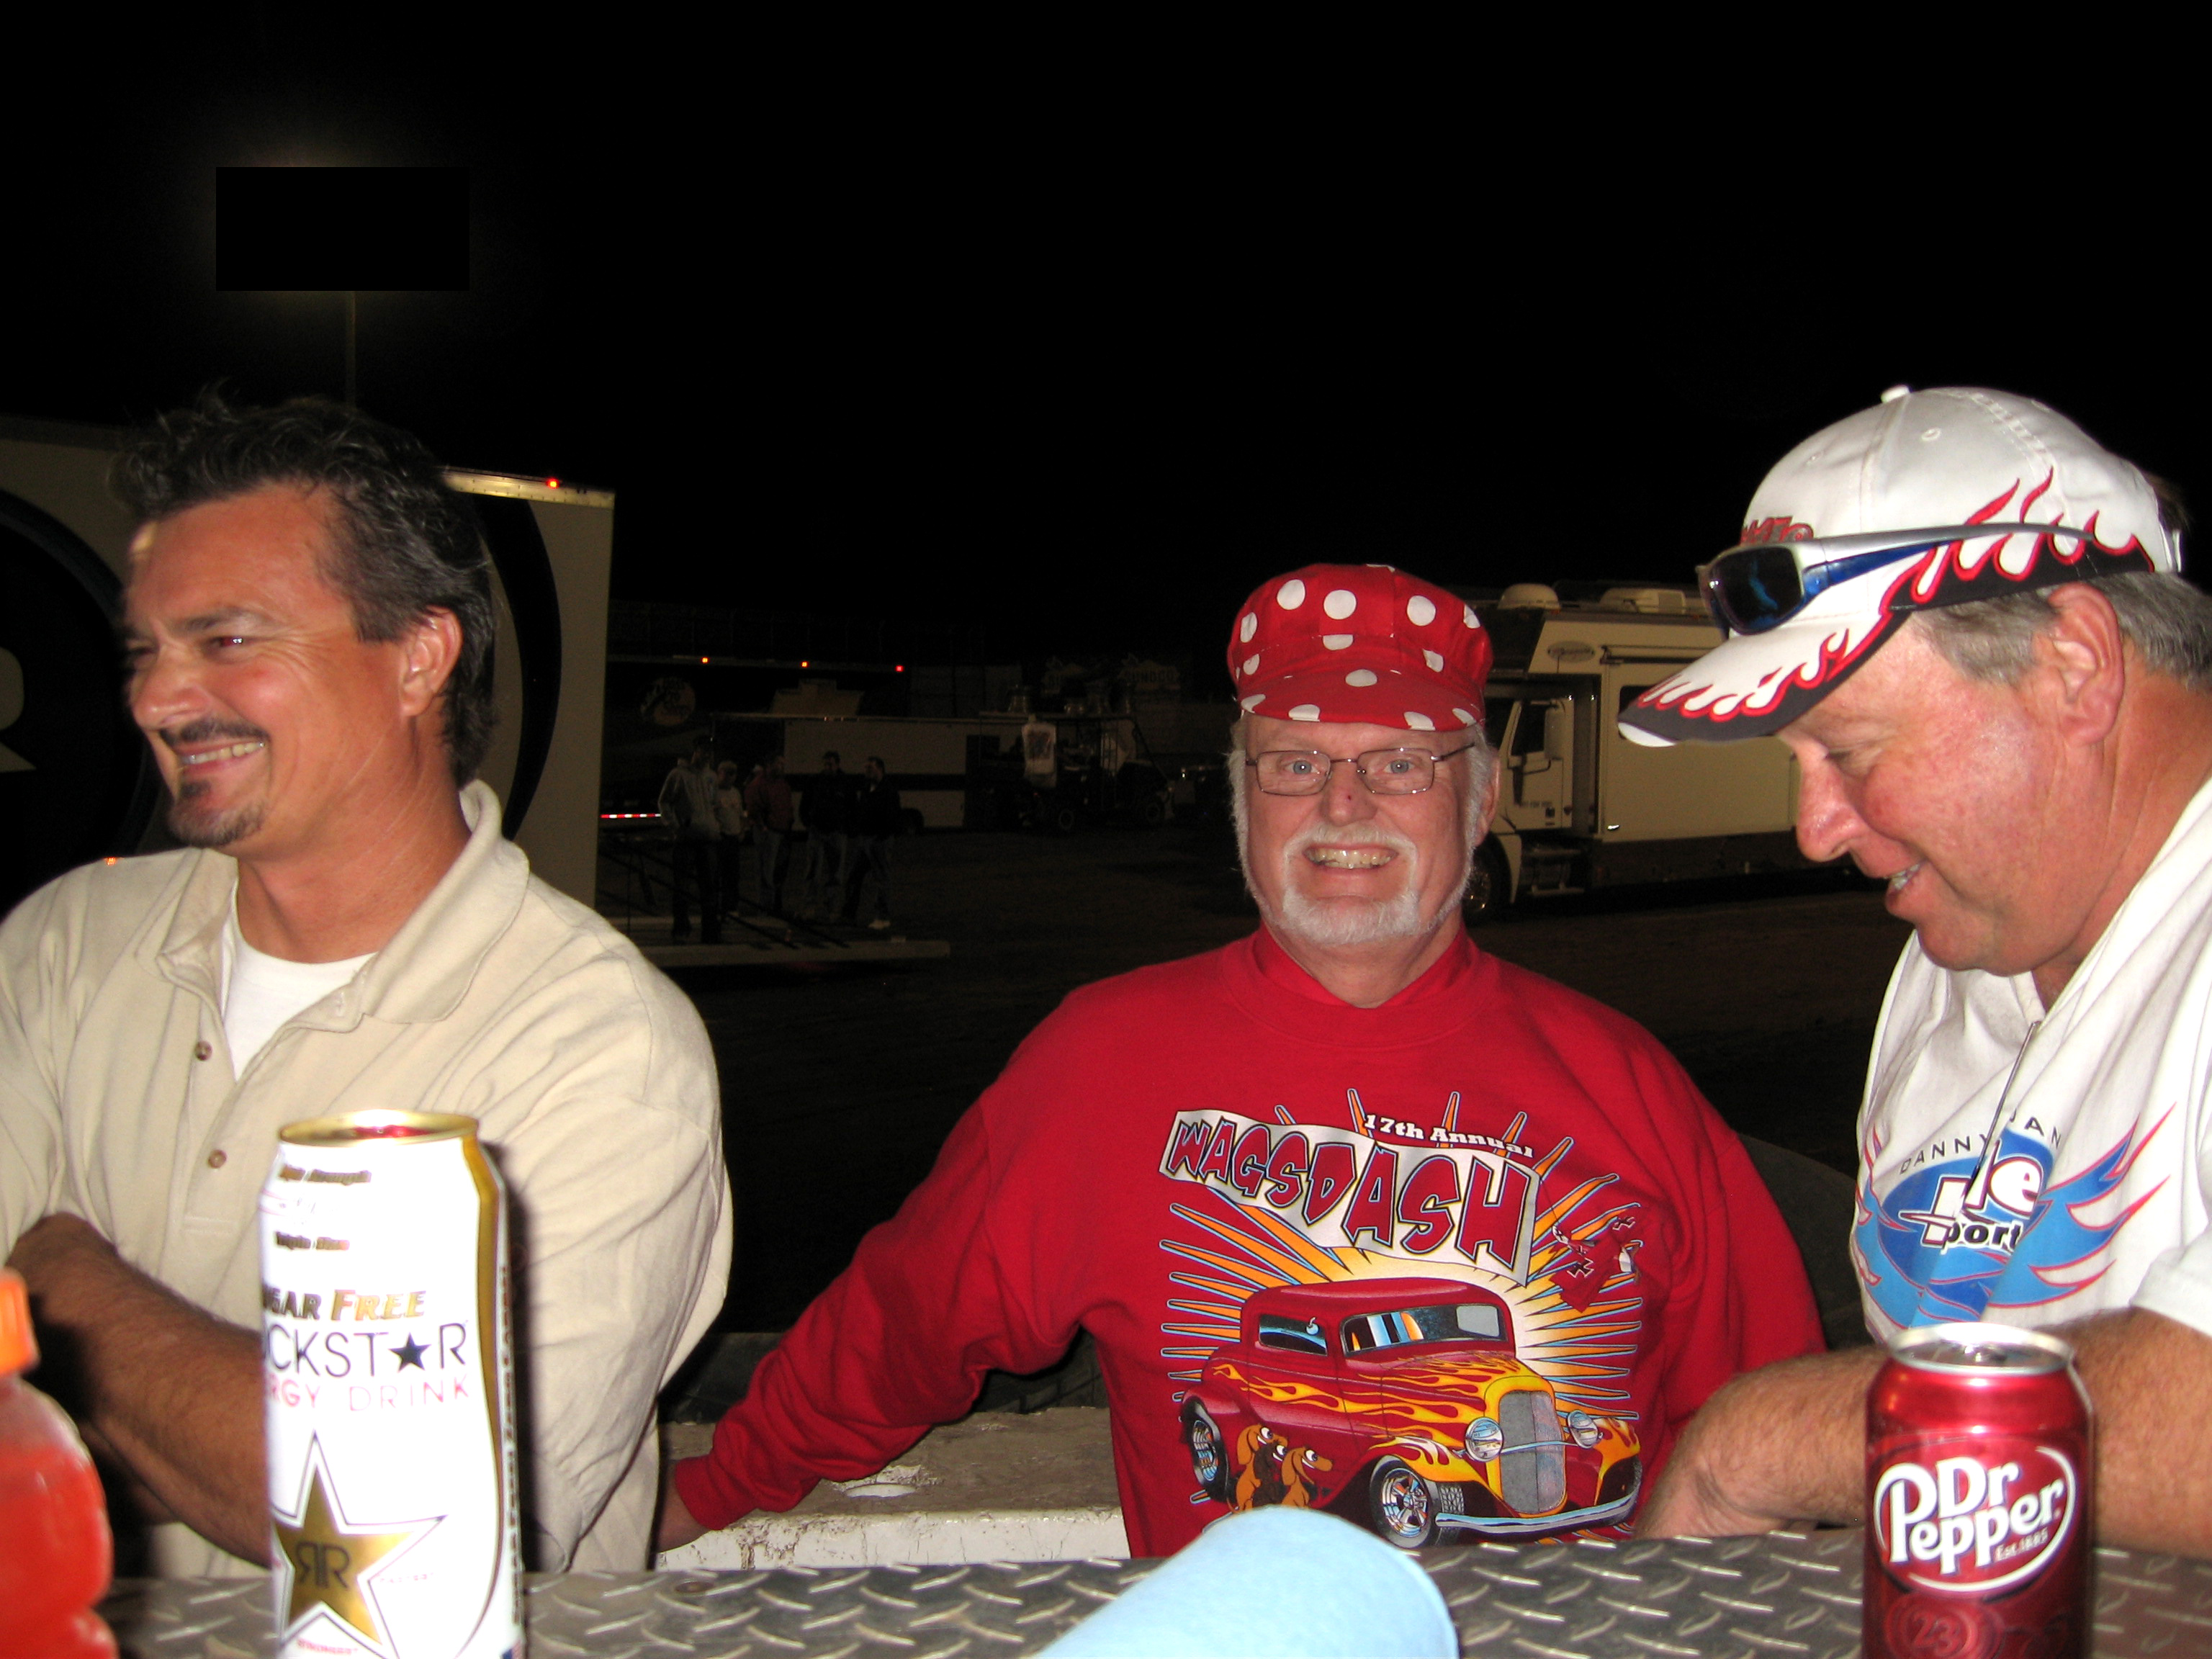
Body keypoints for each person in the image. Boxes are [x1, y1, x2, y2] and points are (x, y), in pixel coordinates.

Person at [659, 562, 1820, 1557]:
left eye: (1401, 763)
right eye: (1294, 764)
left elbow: (1764, 1422)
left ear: (1481, 801)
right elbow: (903, 1326)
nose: (1344, 804)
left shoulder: (1627, 1083)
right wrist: (707, 1489)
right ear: (1239, 802)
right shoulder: (1099, 1063)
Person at [0, 396, 732, 1578]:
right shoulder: (64, 943)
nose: (153, 700)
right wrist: (228, 1431)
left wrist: (58, 1274)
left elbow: (412, 1533)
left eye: (227, 639)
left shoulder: (597, 1045)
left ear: (418, 658)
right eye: (146, 651)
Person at [1617, 386, 2212, 1555]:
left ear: (2074, 667)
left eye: (1849, 750)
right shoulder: (1958, 967)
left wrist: (1764, 1440)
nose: (1814, 831)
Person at [658, 735, 723, 943]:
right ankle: (681, 930)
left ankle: (710, 931)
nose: (707, 756)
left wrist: (716, 824)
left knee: (709, 887)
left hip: (708, 838)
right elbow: (664, 801)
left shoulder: (711, 776)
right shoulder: (679, 775)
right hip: (687, 839)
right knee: (682, 887)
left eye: (710, 752)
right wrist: (675, 826)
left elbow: (713, 802)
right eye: (704, 751)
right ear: (696, 751)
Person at [841, 756, 899, 929]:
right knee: (853, 876)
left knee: (881, 878)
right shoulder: (867, 789)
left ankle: (883, 916)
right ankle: (849, 914)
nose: (867, 771)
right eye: (866, 768)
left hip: (879, 840)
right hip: (865, 839)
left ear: (880, 769)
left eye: (870, 768)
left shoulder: (888, 791)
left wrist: (881, 835)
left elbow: (893, 816)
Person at [798, 750, 853, 920]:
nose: (827, 767)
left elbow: (852, 806)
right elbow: (805, 804)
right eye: (825, 764)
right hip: (817, 832)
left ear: (837, 765)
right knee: (813, 871)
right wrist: (809, 823)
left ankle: (832, 908)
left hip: (837, 833)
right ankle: (809, 906)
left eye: (830, 764)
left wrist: (845, 827)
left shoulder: (845, 783)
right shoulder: (815, 781)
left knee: (835, 873)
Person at [745, 754, 794, 914]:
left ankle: (775, 904)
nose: (782, 767)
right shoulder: (759, 784)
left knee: (778, 869)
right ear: (770, 765)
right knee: (767, 870)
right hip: (769, 831)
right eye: (779, 764)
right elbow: (754, 808)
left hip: (782, 830)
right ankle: (766, 905)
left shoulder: (782, 784)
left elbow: (787, 805)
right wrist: (763, 826)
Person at [714, 760, 750, 907]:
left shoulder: (735, 792)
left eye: (733, 774)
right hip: (720, 837)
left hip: (734, 838)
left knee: (733, 874)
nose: (730, 777)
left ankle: (731, 905)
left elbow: (740, 814)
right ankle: (718, 904)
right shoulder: (713, 792)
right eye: (727, 773)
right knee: (719, 872)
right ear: (719, 773)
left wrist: (742, 831)